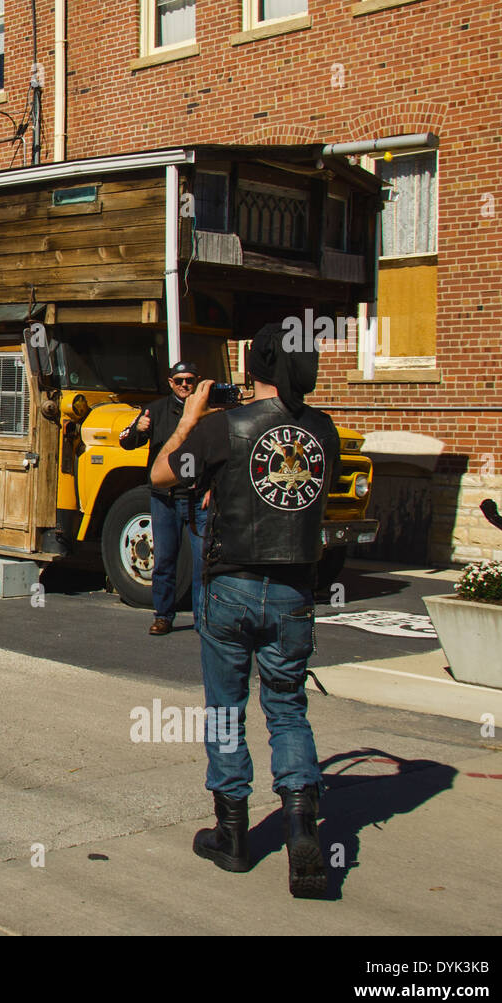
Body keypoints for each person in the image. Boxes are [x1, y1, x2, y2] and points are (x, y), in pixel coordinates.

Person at [149, 322, 339, 899]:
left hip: (230, 585)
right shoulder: (323, 431)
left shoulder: (222, 429)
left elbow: (160, 474)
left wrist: (191, 416)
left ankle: (232, 835)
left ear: (253, 366)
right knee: (287, 707)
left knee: (226, 708)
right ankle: (302, 823)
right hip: (294, 591)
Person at [119, 361, 209, 635]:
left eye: (190, 380)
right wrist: (140, 429)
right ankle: (163, 615)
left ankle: (202, 619)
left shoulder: (210, 411)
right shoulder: (155, 410)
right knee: (165, 560)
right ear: (170, 383)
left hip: (197, 498)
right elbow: (126, 441)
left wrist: (212, 488)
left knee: (203, 562)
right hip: (165, 498)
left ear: (197, 381)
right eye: (179, 380)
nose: (184, 385)